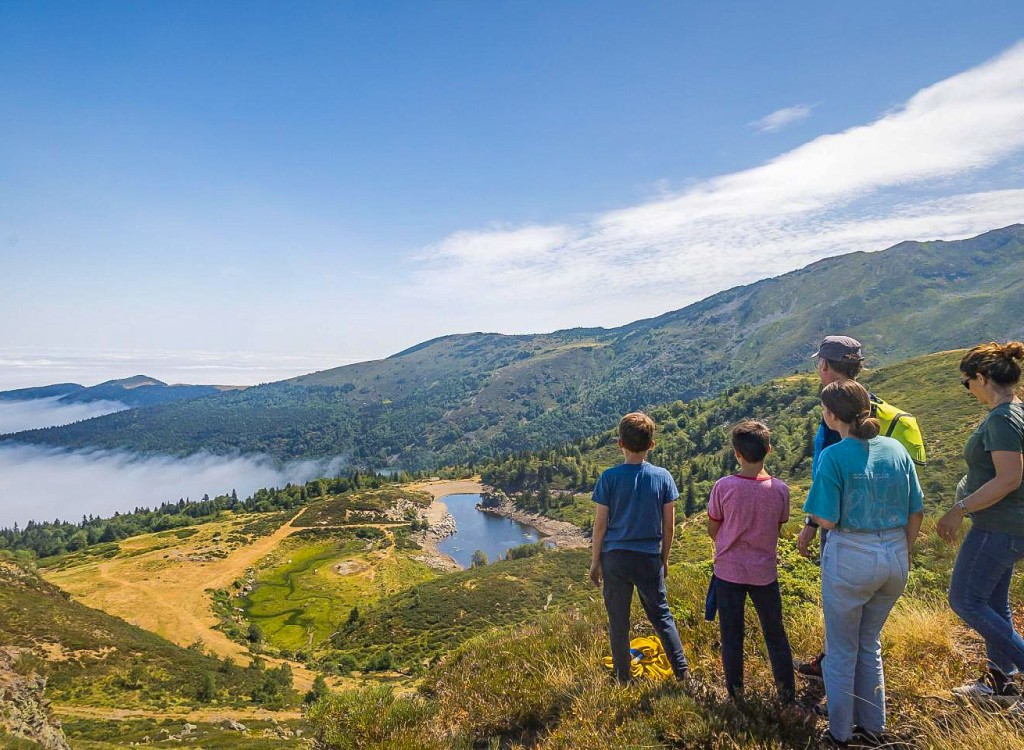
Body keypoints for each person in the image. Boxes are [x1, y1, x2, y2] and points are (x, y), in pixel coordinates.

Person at [796, 335, 926, 682]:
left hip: (846, 531)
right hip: (888, 536)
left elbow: (830, 469)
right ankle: (862, 702)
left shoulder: (834, 408)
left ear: (824, 364)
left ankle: (837, 684)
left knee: (845, 617)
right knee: (867, 635)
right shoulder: (865, 402)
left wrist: (811, 522)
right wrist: (905, 548)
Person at [803, 380, 925, 748]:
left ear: (831, 415)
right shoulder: (895, 450)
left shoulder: (835, 456)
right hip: (894, 554)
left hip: (852, 555)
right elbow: (916, 510)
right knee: (869, 643)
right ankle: (873, 727)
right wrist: (900, 548)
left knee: (841, 649)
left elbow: (825, 518)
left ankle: (840, 733)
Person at [937, 342, 1024, 705]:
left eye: (966, 382)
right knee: (993, 602)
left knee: (965, 600)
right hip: (1011, 526)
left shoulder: (1003, 419)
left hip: (998, 527)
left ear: (982, 378)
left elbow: (1009, 478)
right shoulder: (1016, 412)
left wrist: (960, 508)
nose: (967, 389)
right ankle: (1000, 683)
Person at [589, 412, 690, 683]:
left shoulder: (609, 478)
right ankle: (683, 674)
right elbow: (668, 526)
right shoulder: (663, 477)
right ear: (652, 444)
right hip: (648, 558)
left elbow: (600, 526)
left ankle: (623, 678)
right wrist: (664, 559)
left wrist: (595, 561)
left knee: (618, 621)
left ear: (620, 443)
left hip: (615, 558)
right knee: (661, 616)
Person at [707, 420, 795, 702]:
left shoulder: (724, 486)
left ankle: (735, 695)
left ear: (737, 454)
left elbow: (713, 528)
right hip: (764, 573)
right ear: (769, 450)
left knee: (732, 636)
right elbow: (778, 527)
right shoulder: (780, 489)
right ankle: (786, 695)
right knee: (775, 634)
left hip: (729, 571)